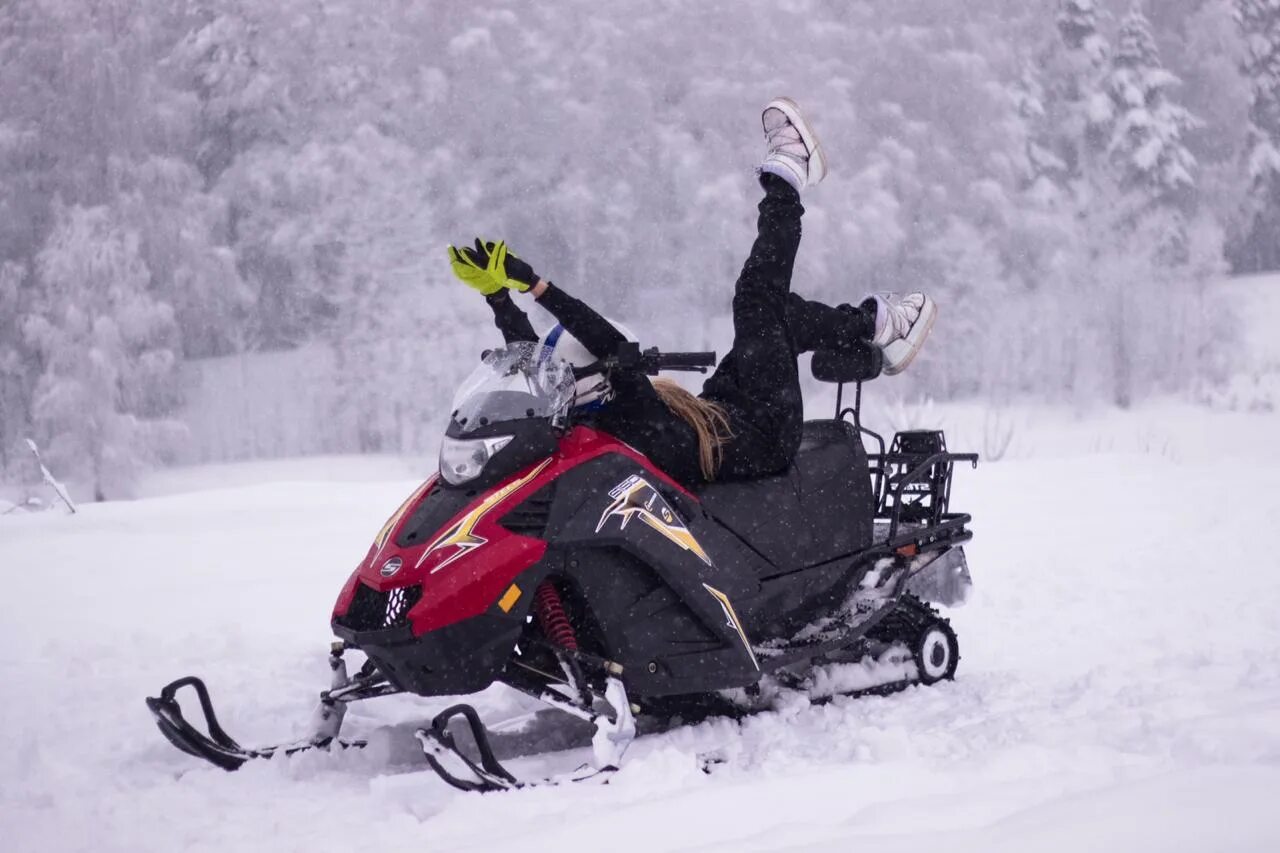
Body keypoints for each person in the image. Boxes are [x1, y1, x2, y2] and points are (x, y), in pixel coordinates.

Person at [447, 98, 934, 488]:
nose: (552, 386)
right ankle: (787, 179)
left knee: (778, 312)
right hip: (763, 431)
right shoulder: (620, 416)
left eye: (561, 379)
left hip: (729, 407)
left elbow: (533, 359)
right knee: (756, 302)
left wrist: (499, 298)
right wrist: (535, 286)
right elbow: (589, 345)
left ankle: (879, 326)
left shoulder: (602, 414)